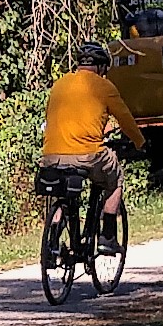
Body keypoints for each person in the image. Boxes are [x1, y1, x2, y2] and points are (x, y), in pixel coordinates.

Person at [39, 40, 140, 220]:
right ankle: (107, 238)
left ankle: (53, 234)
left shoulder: (59, 84)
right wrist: (140, 142)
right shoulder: (104, 87)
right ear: (101, 67)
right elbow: (126, 120)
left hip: (51, 155)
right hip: (87, 155)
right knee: (115, 179)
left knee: (62, 194)